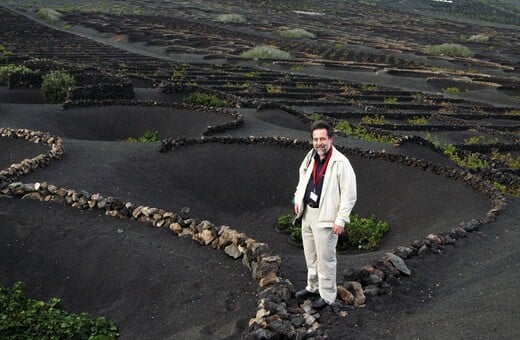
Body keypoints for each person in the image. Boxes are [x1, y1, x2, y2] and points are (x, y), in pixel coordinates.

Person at [293, 120, 357, 308]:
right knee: (311, 255)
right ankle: (312, 286)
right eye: (315, 139)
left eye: (322, 138)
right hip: (307, 213)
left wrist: (341, 220)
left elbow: (349, 194)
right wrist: (298, 200)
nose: (318, 142)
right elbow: (302, 180)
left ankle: (328, 295)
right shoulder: (310, 156)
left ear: (330, 139)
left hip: (326, 216)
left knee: (326, 258)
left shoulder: (341, 163)